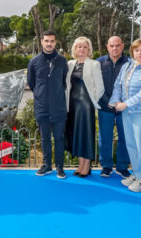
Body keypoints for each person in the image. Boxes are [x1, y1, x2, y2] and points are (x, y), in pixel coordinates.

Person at [109, 39, 141, 192]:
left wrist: (126, 104)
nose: (139, 53)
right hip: (127, 112)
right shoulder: (127, 66)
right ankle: (137, 174)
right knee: (131, 144)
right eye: (136, 50)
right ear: (132, 52)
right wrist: (115, 101)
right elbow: (118, 85)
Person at [27, 31, 69, 178]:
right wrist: (42, 94)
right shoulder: (34, 62)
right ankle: (47, 165)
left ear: (55, 43)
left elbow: (63, 82)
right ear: (42, 42)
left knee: (59, 138)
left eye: (52, 41)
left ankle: (59, 167)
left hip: (59, 108)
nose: (49, 43)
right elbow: (32, 84)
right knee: (44, 138)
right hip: (42, 108)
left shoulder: (62, 61)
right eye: (46, 41)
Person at [65, 37, 104, 177]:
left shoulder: (94, 64)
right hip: (72, 105)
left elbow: (100, 87)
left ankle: (86, 166)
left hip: (86, 105)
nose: (82, 49)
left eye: (85, 47)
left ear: (89, 50)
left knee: (86, 134)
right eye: (79, 47)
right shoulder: (69, 64)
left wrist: (91, 99)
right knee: (77, 134)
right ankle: (80, 165)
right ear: (74, 49)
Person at [96, 36, 130, 178]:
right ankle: (106, 166)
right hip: (104, 107)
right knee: (105, 137)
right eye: (112, 46)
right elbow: (95, 86)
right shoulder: (98, 63)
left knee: (125, 137)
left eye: (117, 45)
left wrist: (121, 103)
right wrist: (108, 102)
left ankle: (122, 167)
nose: (114, 48)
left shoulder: (130, 63)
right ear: (107, 46)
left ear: (122, 46)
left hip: (124, 108)